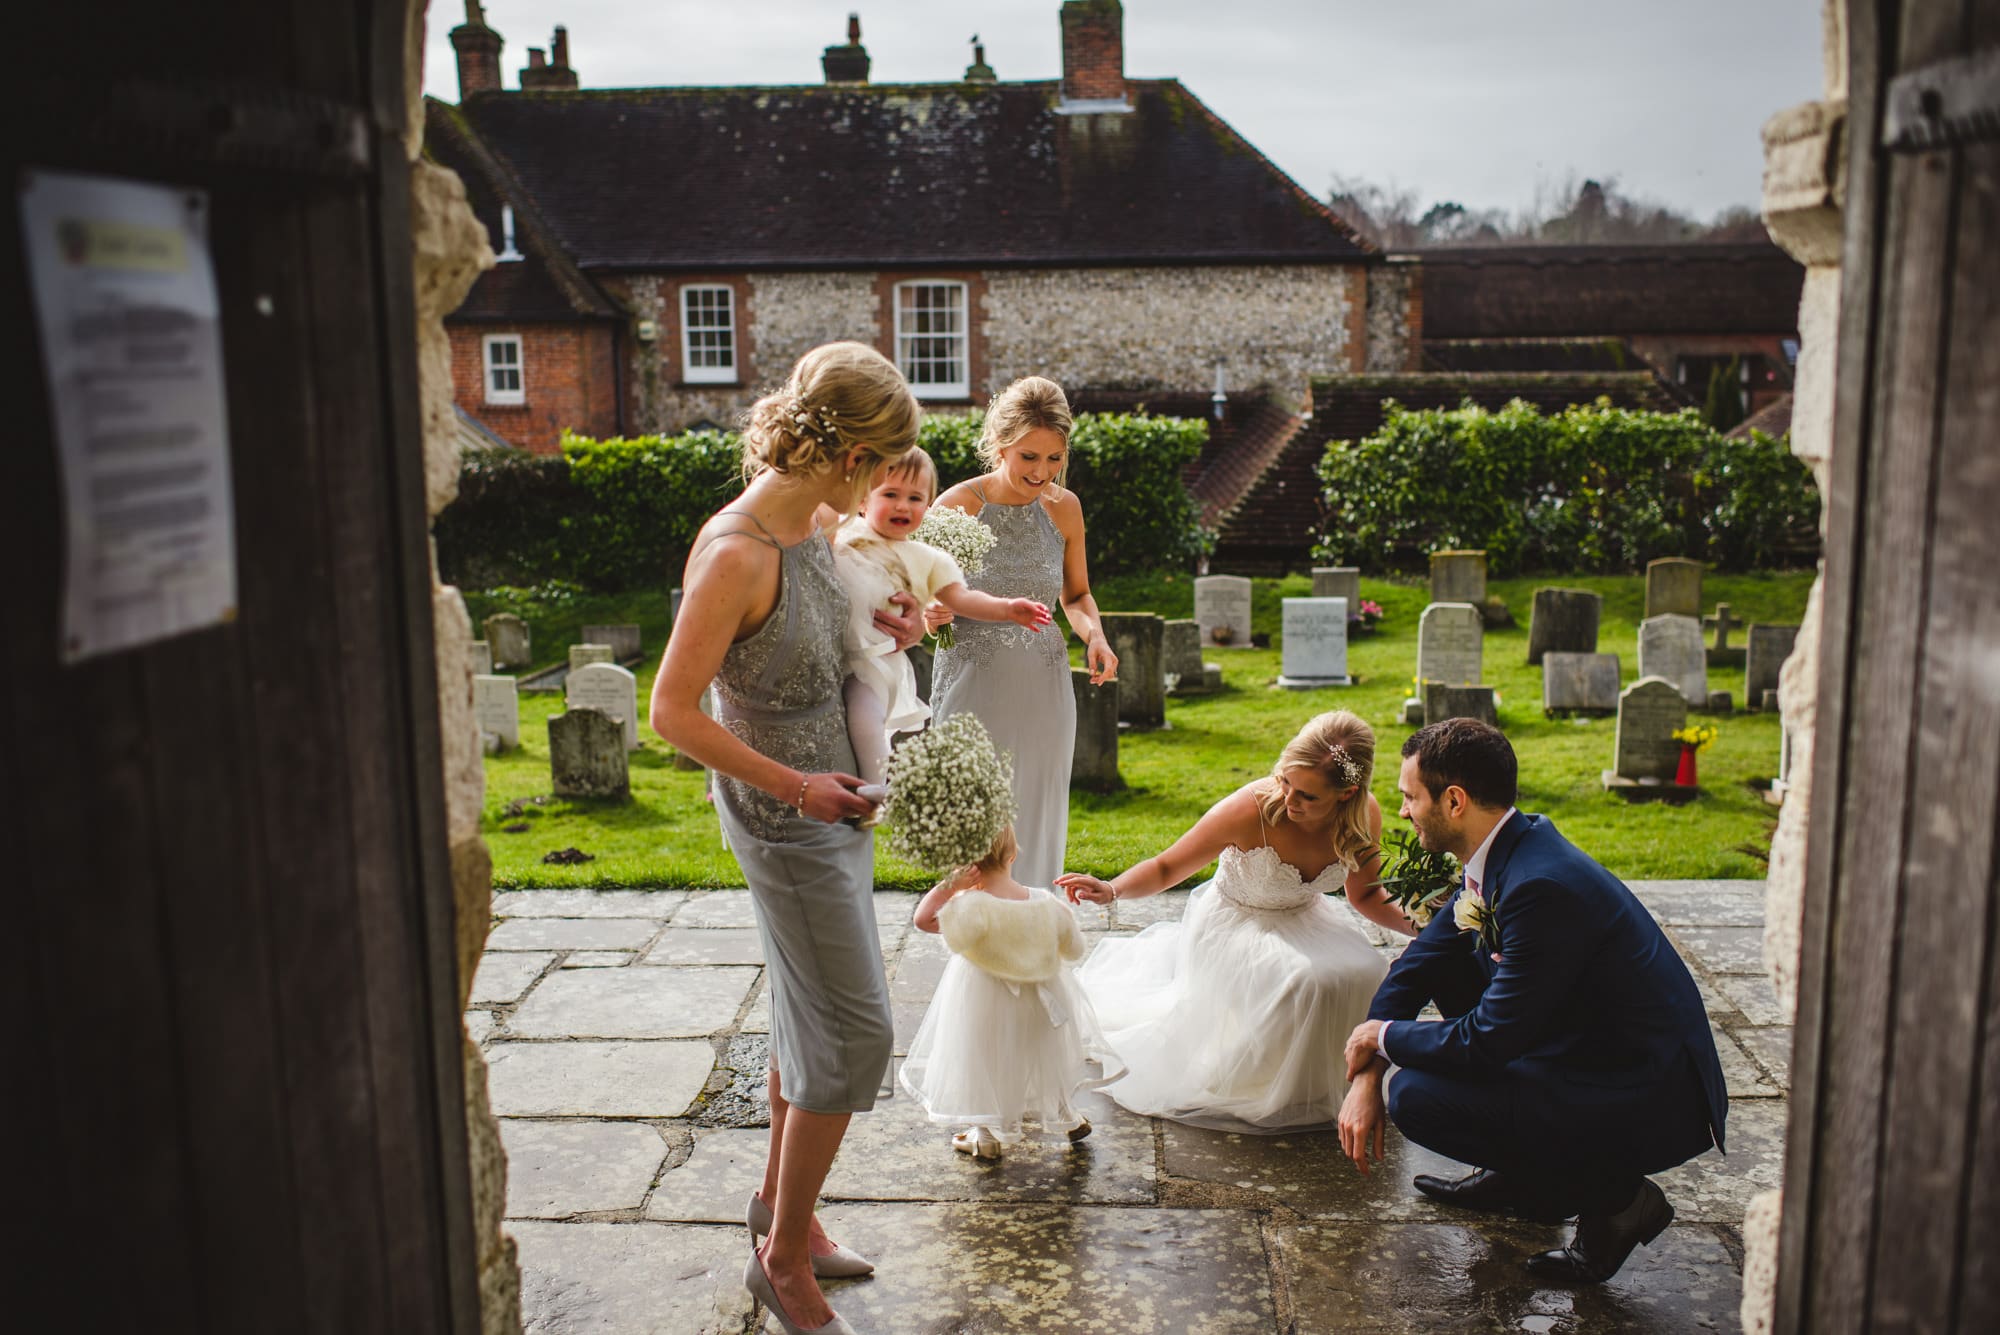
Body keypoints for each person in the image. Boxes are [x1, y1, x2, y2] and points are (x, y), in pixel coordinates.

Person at [648, 342, 923, 1335]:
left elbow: (824, 624)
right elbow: (671, 714)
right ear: (845, 451)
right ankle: (780, 1263)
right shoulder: (735, 553)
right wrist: (800, 786)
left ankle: (783, 1216)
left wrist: (884, 626)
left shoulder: (809, 518)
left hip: (832, 802)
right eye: (879, 464)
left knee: (807, 1015)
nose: (880, 486)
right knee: (855, 1034)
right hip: (786, 815)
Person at [1339, 718, 1728, 1284]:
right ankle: (1521, 1177)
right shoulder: (1510, 846)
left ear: (1454, 801)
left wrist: (1381, 1039)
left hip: (1644, 1089)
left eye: (1409, 797)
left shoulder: (1539, 887)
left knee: (1418, 1097)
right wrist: (1367, 1071)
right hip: (1588, 1041)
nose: (1402, 812)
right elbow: (1418, 966)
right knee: (1445, 967)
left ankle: (1618, 1201)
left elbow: (1488, 1041)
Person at [1056, 711, 1420, 1132]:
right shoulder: (1250, 809)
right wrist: (1112, 888)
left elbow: (1366, 895)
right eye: (1286, 781)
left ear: (1347, 793)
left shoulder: (1361, 817)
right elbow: (1165, 866)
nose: (1288, 800)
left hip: (1304, 917)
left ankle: (1326, 1082)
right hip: (1235, 922)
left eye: (1307, 796)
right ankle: (1265, 1084)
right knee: (1306, 980)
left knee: (1368, 971)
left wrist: (1426, 927)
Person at [928, 377, 1117, 886]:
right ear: (1001, 444)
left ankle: (1033, 940)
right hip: (973, 681)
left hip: (1044, 683)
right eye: (1029, 457)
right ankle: (972, 942)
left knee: (1037, 807)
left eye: (1054, 458)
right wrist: (932, 615)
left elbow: (1075, 596)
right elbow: (922, 595)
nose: (1042, 472)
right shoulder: (957, 506)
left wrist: (1094, 636)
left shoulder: (1065, 508)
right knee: (972, 819)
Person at [829, 446, 1053, 798]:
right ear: (861, 500)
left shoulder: (928, 558)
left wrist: (1007, 609)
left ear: (929, 507)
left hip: (870, 663)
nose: (904, 505)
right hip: (826, 652)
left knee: (866, 715)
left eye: (916, 498)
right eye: (890, 495)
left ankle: (873, 788)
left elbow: (961, 598)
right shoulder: (846, 536)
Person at [898, 824, 1124, 1161]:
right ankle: (1066, 1115)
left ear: (962, 864)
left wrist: (950, 887)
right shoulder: (1045, 903)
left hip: (984, 1004)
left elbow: (924, 920)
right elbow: (1074, 949)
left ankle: (985, 1134)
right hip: (1042, 1003)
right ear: (1013, 854)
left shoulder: (971, 906)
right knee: (1043, 1056)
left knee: (983, 1062)